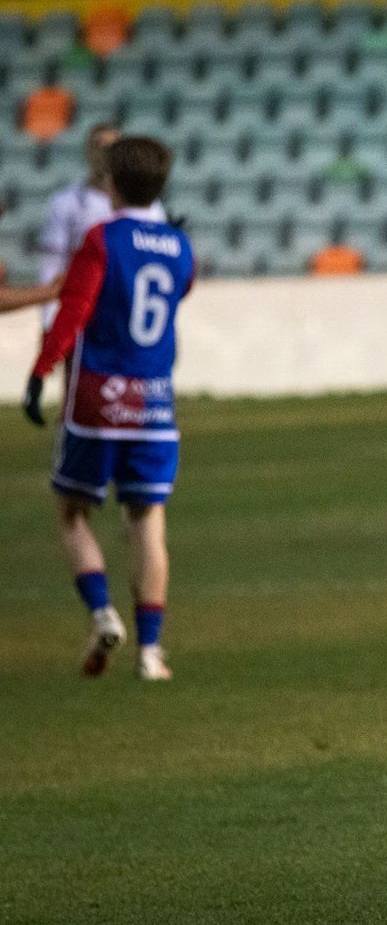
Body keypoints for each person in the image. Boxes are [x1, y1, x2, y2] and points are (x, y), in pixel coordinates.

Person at [21, 136, 193, 682]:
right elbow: (179, 293)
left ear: (112, 183)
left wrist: (40, 370)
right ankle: (151, 653)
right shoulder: (180, 246)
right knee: (147, 521)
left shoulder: (100, 240)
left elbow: (72, 311)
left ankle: (101, 614)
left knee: (72, 511)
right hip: (155, 400)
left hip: (98, 398)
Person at [36, 122, 166, 333]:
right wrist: (49, 319)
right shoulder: (66, 202)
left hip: (128, 315)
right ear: (87, 151)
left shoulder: (150, 207)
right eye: (97, 145)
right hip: (83, 314)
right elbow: (52, 264)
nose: (103, 153)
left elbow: (158, 263)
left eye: (111, 147)